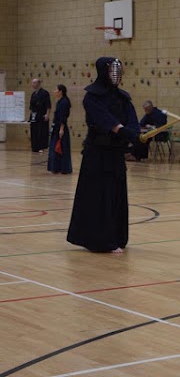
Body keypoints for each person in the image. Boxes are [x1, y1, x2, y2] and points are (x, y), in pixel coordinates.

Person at [67, 57, 141, 253]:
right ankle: (99, 240)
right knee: (99, 195)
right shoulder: (92, 97)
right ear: (102, 72)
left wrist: (136, 133)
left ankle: (116, 237)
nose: (115, 76)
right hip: (97, 154)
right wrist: (121, 130)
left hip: (115, 154)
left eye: (118, 71)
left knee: (116, 194)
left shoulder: (123, 97)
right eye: (111, 71)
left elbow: (133, 119)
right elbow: (103, 119)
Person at [47, 84, 72, 174]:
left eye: (56, 90)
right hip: (56, 128)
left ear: (61, 91)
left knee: (61, 148)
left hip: (60, 129)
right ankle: (56, 168)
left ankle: (63, 168)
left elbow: (63, 117)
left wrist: (61, 129)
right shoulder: (60, 101)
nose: (54, 91)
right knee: (55, 148)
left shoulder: (65, 102)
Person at [29, 78, 51, 152]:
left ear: (38, 83)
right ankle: (34, 146)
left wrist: (47, 114)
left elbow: (48, 105)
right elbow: (31, 106)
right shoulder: (33, 94)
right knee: (34, 130)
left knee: (41, 131)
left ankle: (41, 146)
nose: (33, 84)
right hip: (34, 115)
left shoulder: (45, 93)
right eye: (32, 83)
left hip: (42, 115)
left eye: (34, 83)